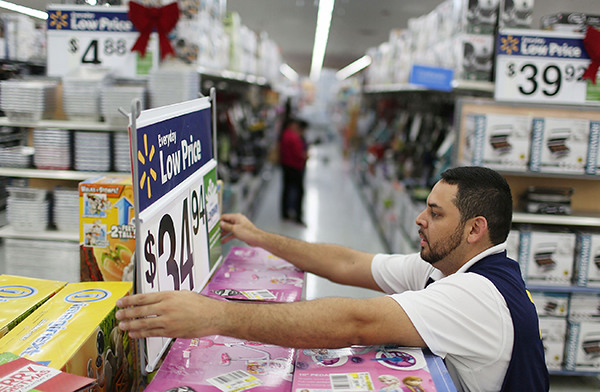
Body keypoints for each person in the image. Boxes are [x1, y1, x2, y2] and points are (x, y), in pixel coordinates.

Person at [115, 166, 549, 392]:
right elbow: (348, 264)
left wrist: (214, 316)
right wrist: (259, 236)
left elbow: (355, 322)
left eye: (436, 214)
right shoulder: (448, 266)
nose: (419, 219)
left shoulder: (476, 296)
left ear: (474, 229)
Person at [279, 117, 309, 224]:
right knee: (299, 191)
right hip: (294, 167)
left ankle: (285, 213)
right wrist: (304, 156)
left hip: (287, 165)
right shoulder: (292, 136)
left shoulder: (285, 134)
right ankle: (297, 215)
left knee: (287, 189)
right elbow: (298, 153)